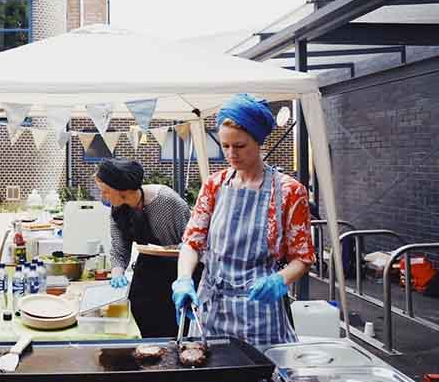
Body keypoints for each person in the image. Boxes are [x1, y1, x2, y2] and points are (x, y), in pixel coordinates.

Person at [173, 93, 316, 348]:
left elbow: (302, 258)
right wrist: (184, 278)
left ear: (258, 141)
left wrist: (280, 279)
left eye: (239, 146)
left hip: (259, 313)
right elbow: (192, 243)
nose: (230, 154)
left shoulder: (289, 191)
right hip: (211, 310)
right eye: (225, 145)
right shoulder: (214, 186)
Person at [94, 158, 191, 338]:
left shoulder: (166, 201)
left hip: (178, 272)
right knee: (141, 325)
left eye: (106, 192)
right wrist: (117, 272)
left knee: (174, 330)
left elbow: (192, 241)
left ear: (122, 190)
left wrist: (184, 275)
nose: (103, 197)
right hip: (147, 270)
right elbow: (119, 249)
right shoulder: (117, 209)